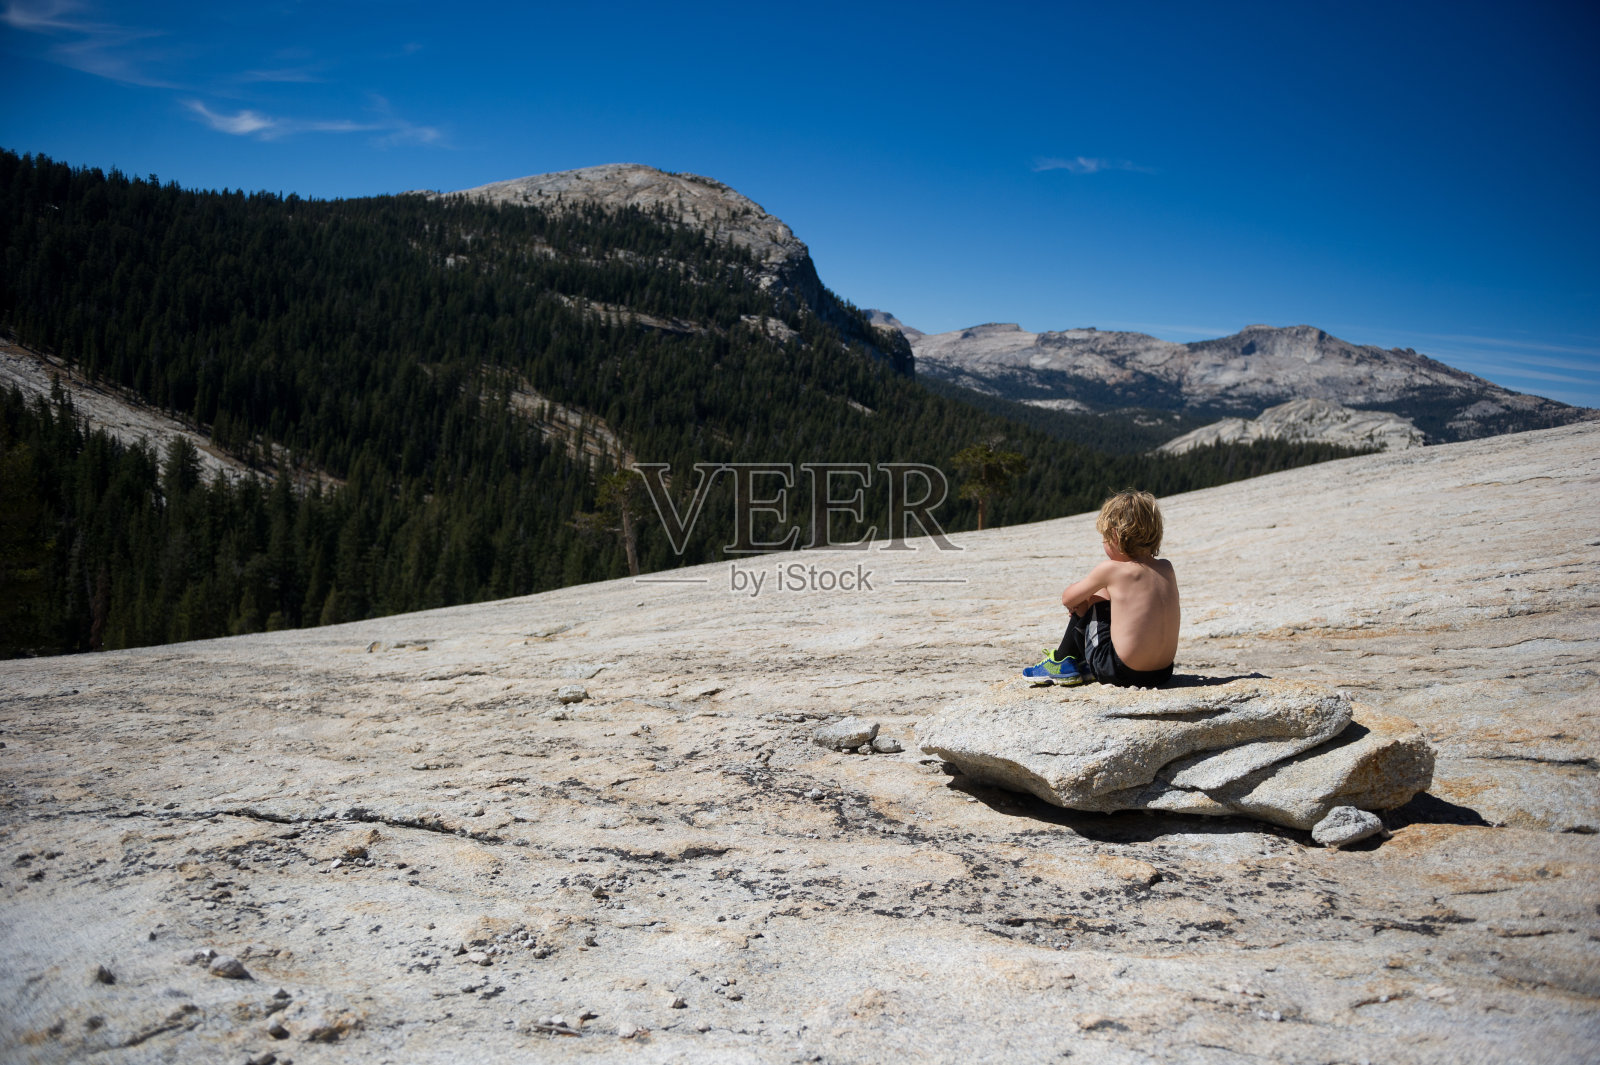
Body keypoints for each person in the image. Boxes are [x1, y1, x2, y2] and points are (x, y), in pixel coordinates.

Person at [1022, 489, 1179, 687]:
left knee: (1091, 598)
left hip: (1120, 671)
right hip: (1163, 673)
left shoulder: (1111, 570)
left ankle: (1062, 661)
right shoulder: (1166, 567)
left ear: (1115, 534)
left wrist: (1084, 603)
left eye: (1104, 537)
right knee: (1107, 594)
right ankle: (1078, 661)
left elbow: (1067, 599)